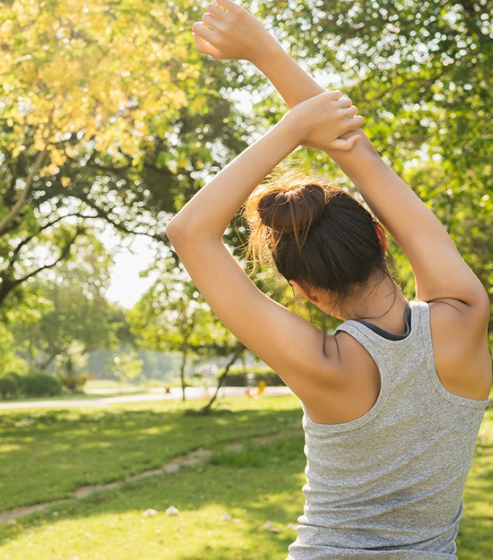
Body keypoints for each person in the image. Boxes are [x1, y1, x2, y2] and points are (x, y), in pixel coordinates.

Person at [166, 1, 492, 558]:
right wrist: (268, 53)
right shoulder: (464, 315)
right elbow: (358, 153)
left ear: (304, 291)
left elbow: (189, 232)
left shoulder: (325, 365)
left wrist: (292, 127)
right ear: (382, 240)